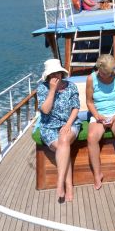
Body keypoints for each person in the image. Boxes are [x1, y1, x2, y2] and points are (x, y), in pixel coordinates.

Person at [36, 58, 81, 202]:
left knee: (63, 140)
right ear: (48, 76)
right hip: (49, 126)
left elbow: (76, 107)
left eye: (58, 73)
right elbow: (45, 110)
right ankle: (68, 185)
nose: (56, 76)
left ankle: (60, 182)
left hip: (70, 122)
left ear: (62, 73)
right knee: (63, 147)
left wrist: (68, 125)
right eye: (53, 74)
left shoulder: (71, 86)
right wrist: (52, 90)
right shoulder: (42, 88)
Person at [86, 54, 115, 188]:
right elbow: (89, 102)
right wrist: (97, 116)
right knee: (91, 137)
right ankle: (97, 174)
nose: (105, 76)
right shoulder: (91, 79)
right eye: (102, 74)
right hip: (98, 114)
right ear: (98, 69)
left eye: (108, 74)